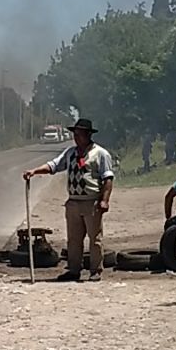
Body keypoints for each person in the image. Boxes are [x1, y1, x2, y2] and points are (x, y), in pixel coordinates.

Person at [22, 117, 115, 282]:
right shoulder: (70, 153)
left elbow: (108, 179)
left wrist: (104, 200)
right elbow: (53, 166)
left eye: (79, 134)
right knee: (73, 239)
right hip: (73, 202)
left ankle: (95, 270)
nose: (76, 137)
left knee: (95, 239)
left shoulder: (100, 154)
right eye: (75, 134)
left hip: (91, 201)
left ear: (87, 135)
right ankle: (73, 270)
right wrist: (34, 171)